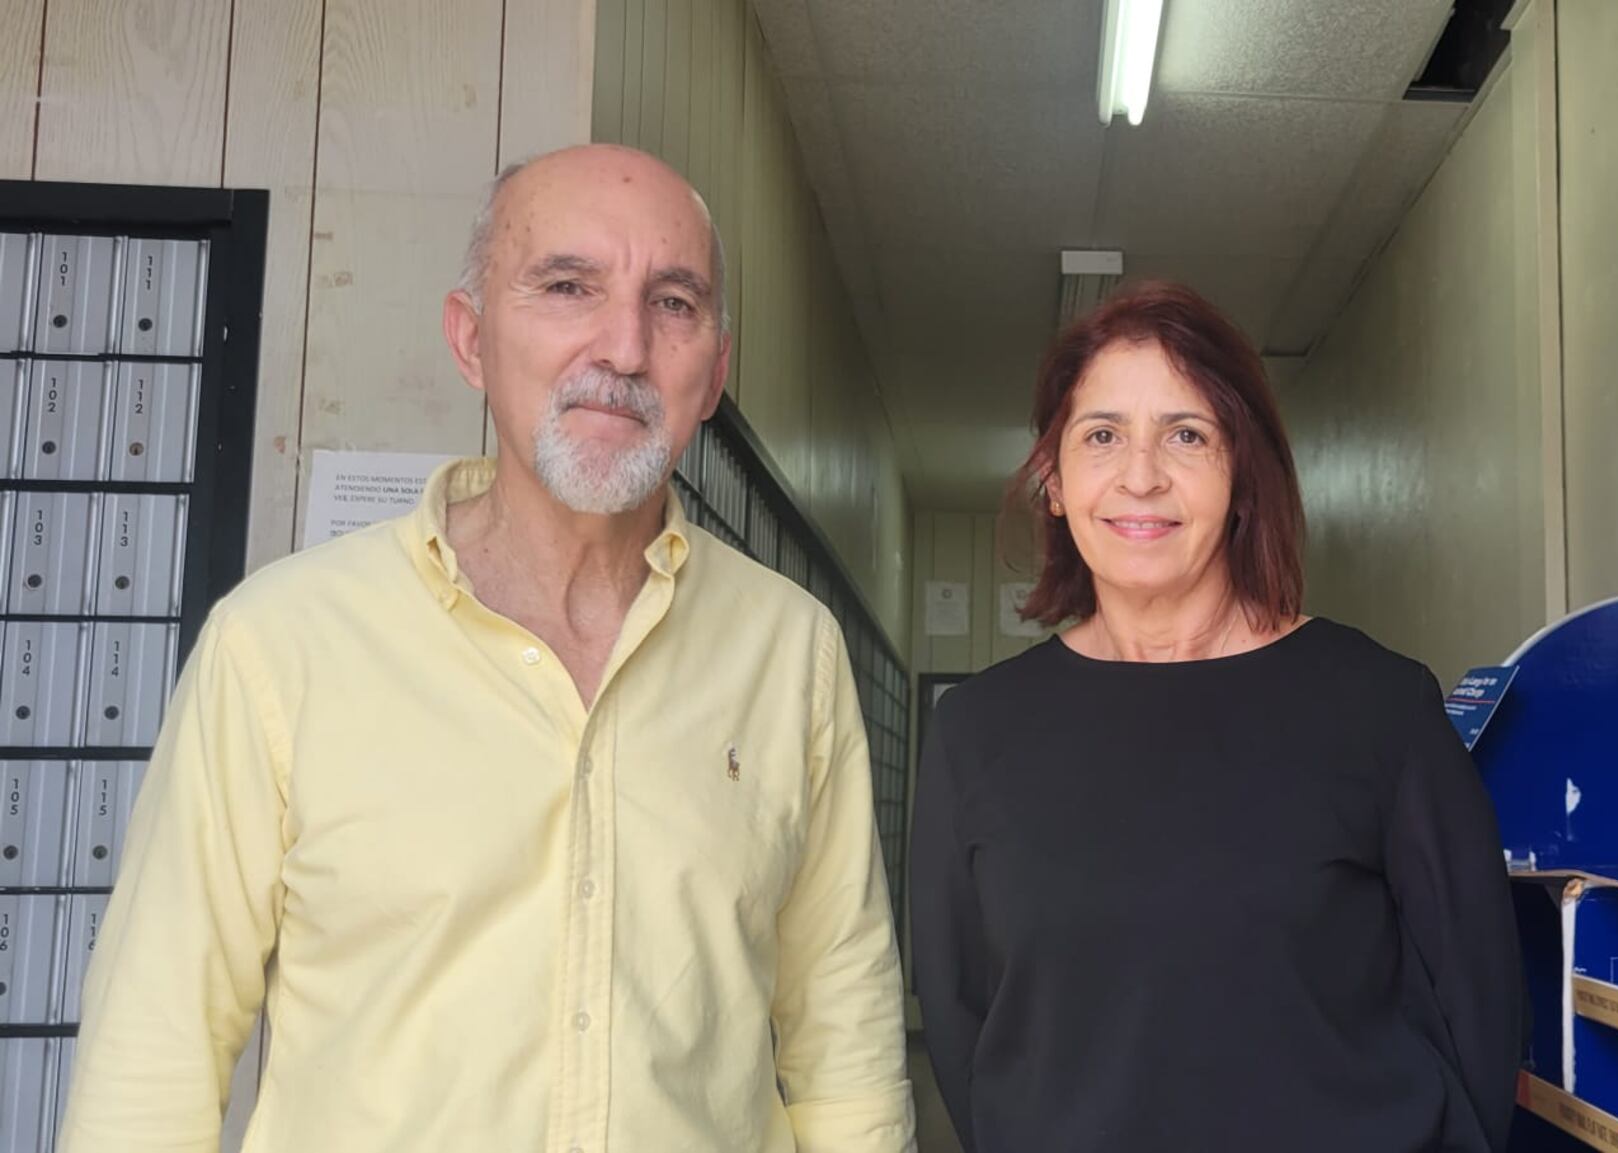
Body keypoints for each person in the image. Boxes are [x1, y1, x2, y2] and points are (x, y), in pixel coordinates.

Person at [57, 144, 915, 1152]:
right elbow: (152, 1057)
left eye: (674, 302)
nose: (625, 346)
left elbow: (842, 1029)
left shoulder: (789, 651)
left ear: (715, 371)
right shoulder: (278, 646)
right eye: (567, 286)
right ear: (471, 338)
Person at [912, 281, 1523, 1152]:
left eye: (1186, 434)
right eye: (1102, 435)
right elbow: (966, 1031)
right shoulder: (977, 732)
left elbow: (1479, 1004)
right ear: (1054, 479)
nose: (1141, 475)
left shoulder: (1378, 705)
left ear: (1241, 475)